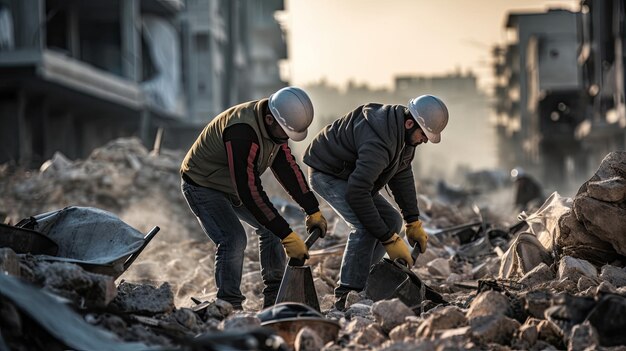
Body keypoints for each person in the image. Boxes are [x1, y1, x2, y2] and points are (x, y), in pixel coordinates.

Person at [180, 87, 328, 309]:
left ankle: (276, 298)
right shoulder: (242, 132)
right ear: (270, 119)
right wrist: (287, 234)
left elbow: (288, 168)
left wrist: (312, 209)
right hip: (203, 184)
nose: (285, 139)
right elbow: (248, 190)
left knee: (270, 230)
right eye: (284, 133)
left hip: (230, 184)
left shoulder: (276, 129)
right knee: (233, 238)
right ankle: (228, 305)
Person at [303, 95, 449, 309]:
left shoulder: (405, 137)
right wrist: (389, 240)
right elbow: (357, 193)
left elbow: (402, 176)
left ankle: (367, 280)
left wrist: (412, 221)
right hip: (327, 173)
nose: (425, 140)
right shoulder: (379, 140)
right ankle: (347, 294)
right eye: (423, 135)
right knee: (363, 227)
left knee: (391, 220)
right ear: (410, 124)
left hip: (353, 177)